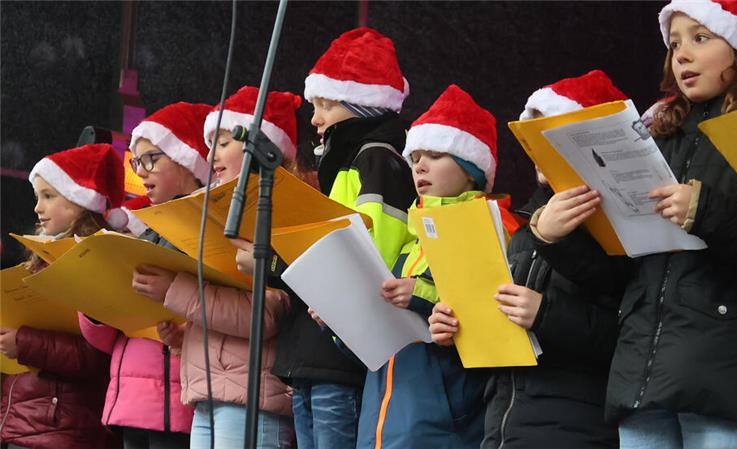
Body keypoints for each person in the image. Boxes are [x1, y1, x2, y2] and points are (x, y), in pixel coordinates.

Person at [532, 2, 737, 447]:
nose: (682, 55)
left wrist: (706, 211)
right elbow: (622, 275)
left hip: (727, 377)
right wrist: (554, 238)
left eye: (701, 38)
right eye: (674, 44)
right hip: (642, 378)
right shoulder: (653, 140)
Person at [430, 70, 629, 449]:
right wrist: (456, 328)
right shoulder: (521, 231)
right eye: (531, 138)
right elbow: (504, 336)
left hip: (576, 428)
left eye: (548, 136)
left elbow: (630, 336)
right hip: (504, 427)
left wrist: (545, 313)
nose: (536, 148)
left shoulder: (619, 227)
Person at [269, 27, 417, 449]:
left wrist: (284, 264)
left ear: (360, 104)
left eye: (325, 105)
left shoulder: (373, 159)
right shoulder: (345, 164)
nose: (314, 118)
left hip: (340, 346)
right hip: (318, 348)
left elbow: (375, 253)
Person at [135, 87, 300, 449]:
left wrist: (174, 291)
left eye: (223, 142)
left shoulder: (279, 210)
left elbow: (266, 315)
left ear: (261, 144)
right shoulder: (223, 211)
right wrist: (188, 338)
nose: (211, 156)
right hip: (213, 394)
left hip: (254, 398)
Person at [357, 84, 507, 449]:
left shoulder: (491, 231)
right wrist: (338, 316)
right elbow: (376, 347)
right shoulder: (409, 247)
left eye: (436, 154)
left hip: (440, 429)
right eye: (415, 157)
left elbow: (488, 319)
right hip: (381, 428)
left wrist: (419, 295)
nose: (419, 165)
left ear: (472, 171)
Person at [79, 102, 212, 449]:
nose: (142, 172)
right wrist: (94, 302)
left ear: (186, 160)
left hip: (178, 394)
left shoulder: (207, 226)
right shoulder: (143, 233)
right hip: (131, 397)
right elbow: (112, 337)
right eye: (137, 163)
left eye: (151, 159)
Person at [1, 144, 126, 449]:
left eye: (49, 196)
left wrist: (22, 342)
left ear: (79, 202)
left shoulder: (94, 260)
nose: (37, 209)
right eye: (37, 197)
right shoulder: (41, 257)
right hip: (25, 420)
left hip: (63, 426)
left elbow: (94, 356)